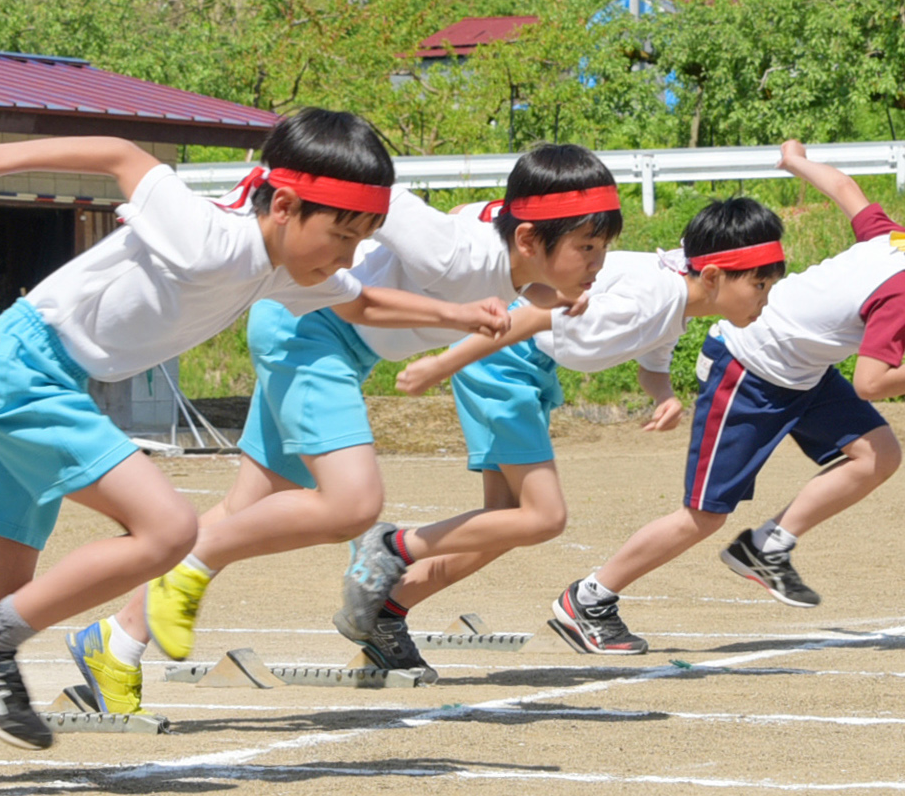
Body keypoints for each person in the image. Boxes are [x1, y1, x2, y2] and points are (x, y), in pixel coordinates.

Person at [0, 109, 508, 789]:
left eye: (361, 236)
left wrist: (454, 311)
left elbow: (361, 300)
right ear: (284, 203)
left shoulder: (287, 267)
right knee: (168, 530)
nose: (348, 252)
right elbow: (120, 152)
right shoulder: (213, 237)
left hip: (34, 374)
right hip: (24, 369)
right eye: (341, 232)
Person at [68, 143, 621, 709]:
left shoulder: (513, 255)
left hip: (319, 338)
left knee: (250, 507)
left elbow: (526, 296)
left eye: (603, 247)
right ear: (529, 239)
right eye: (587, 247)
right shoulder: (452, 253)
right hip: (310, 333)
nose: (598, 262)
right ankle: (192, 553)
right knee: (350, 504)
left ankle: (115, 642)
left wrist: (558, 296)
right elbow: (384, 195)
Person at [550, 139, 905, 654]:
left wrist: (796, 162)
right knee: (704, 514)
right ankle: (588, 599)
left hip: (801, 372)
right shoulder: (901, 295)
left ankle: (767, 545)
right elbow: (871, 383)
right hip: (748, 366)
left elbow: (844, 189)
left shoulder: (896, 239)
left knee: (878, 453)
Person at [335, 196, 787, 676]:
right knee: (541, 517)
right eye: (760, 283)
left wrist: (663, 396)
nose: (766, 297)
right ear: (714, 276)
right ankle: (389, 548)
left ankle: (385, 610)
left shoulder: (674, 301)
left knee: (506, 521)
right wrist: (442, 363)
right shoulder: (653, 297)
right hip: (503, 358)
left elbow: (652, 363)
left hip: (523, 365)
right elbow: (530, 316)